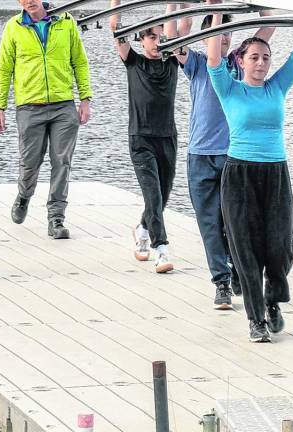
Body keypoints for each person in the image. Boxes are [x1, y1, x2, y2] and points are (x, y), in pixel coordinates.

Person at [205, 2, 293, 342]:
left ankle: (273, 299)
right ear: (240, 60)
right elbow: (212, 57)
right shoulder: (228, 87)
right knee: (245, 251)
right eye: (254, 57)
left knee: (281, 247)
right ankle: (256, 320)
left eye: (266, 58)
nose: (262, 63)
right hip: (239, 176)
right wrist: (215, 10)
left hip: (276, 174)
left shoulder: (276, 87)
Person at [170, 5, 275, 310]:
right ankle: (221, 283)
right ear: (206, 38)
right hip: (200, 154)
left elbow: (267, 29)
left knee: (234, 220)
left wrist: (257, 6)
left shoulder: (239, 64)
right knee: (209, 223)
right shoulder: (200, 64)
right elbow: (174, 41)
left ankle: (237, 268)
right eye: (218, 33)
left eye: (228, 33)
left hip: (232, 156)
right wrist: (207, 9)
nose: (224, 38)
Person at [0, 0, 93, 239]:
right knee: (30, 163)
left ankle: (56, 218)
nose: (29, 0)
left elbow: (79, 60)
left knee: (62, 162)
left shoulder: (66, 22)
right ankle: (24, 195)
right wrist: (0, 107)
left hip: (63, 106)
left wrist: (85, 98)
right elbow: (4, 68)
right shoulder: (13, 26)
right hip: (29, 107)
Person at [109, 1, 187, 273]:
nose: (156, 42)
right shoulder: (133, 62)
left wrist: (173, 5)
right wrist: (116, 4)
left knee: (161, 198)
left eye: (159, 36)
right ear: (141, 41)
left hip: (167, 138)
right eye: (151, 37)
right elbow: (115, 29)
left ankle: (143, 228)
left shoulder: (172, 64)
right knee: (153, 196)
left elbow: (177, 26)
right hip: (140, 139)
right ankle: (161, 249)